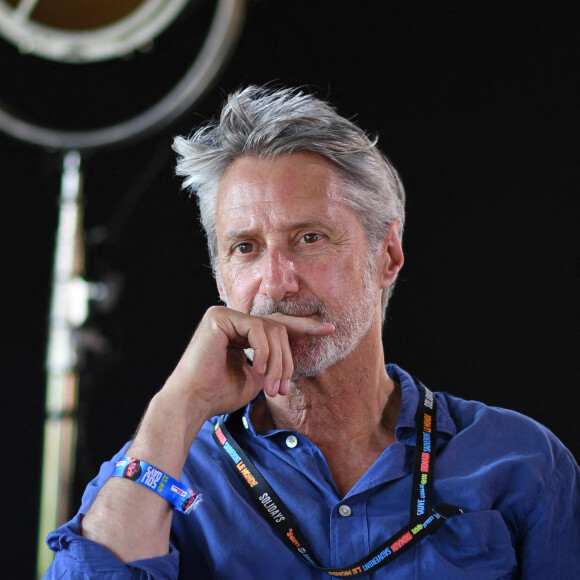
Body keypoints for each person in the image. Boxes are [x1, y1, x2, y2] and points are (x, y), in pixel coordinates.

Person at [45, 86, 579, 578]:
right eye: (245, 248)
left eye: (308, 237)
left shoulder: (521, 461)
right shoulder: (162, 466)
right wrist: (176, 405)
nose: (276, 283)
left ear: (387, 254)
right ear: (220, 276)